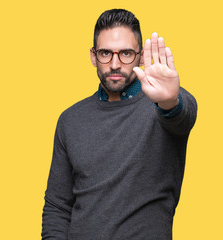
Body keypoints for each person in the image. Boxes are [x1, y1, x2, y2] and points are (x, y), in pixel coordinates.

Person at [41, 9, 197, 240]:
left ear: (141, 57)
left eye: (126, 53)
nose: (115, 64)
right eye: (105, 53)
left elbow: (181, 116)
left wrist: (168, 101)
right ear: (93, 57)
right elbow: (58, 206)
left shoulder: (164, 104)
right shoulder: (69, 120)